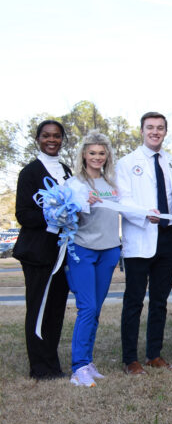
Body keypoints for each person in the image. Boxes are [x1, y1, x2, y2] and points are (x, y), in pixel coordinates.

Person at [116, 112, 172, 375]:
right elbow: (124, 200)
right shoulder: (126, 163)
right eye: (150, 127)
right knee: (133, 301)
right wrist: (145, 213)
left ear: (166, 131)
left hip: (168, 238)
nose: (155, 132)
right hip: (141, 236)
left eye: (160, 128)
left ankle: (154, 353)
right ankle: (130, 358)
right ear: (141, 130)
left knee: (160, 301)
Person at [15, 120, 72, 380]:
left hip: (62, 253)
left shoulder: (66, 170)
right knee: (38, 308)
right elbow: (24, 215)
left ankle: (52, 364)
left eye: (57, 136)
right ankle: (39, 367)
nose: (52, 140)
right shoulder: (29, 172)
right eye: (47, 136)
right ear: (37, 139)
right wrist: (53, 216)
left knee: (56, 309)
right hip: (38, 253)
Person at [64, 133, 122, 387]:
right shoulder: (75, 183)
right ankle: (78, 368)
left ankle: (87, 361)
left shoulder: (113, 182)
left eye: (102, 153)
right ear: (84, 156)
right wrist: (78, 203)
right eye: (92, 153)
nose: (97, 157)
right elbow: (62, 215)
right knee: (86, 308)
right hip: (83, 250)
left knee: (96, 310)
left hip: (109, 250)